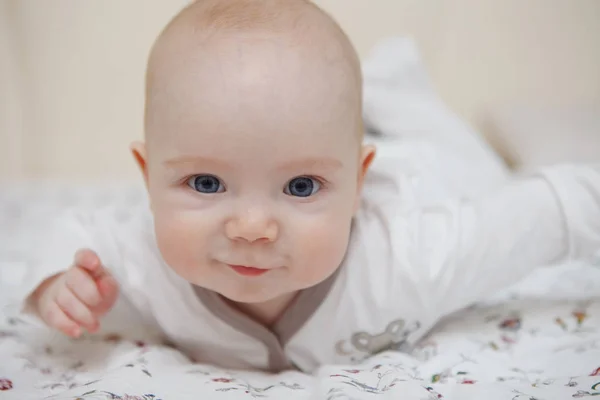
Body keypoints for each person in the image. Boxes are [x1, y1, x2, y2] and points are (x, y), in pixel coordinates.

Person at [18, 0, 600, 373]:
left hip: (430, 171)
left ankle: (395, 92)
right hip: (347, 151)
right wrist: (52, 283)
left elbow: (556, 210)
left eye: (300, 187)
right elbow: (66, 234)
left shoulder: (411, 259)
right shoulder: (140, 258)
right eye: (205, 181)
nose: (250, 228)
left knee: (474, 166)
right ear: (147, 179)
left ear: (356, 188)